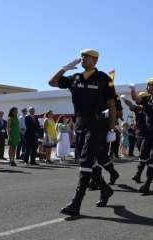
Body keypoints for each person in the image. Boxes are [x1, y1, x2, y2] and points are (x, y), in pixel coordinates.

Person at [49, 48, 116, 216]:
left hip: (97, 122)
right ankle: (105, 188)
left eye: (86, 56)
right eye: (82, 56)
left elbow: (112, 105)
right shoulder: (75, 77)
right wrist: (65, 67)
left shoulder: (104, 79)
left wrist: (112, 128)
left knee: (86, 160)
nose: (83, 59)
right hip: (80, 122)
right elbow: (51, 82)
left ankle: (76, 203)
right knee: (84, 161)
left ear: (95, 60)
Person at [122, 92, 148, 183]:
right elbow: (131, 105)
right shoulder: (138, 109)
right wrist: (125, 99)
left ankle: (138, 174)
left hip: (149, 135)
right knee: (146, 155)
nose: (138, 99)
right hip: (140, 134)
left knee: (144, 155)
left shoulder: (151, 107)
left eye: (141, 98)